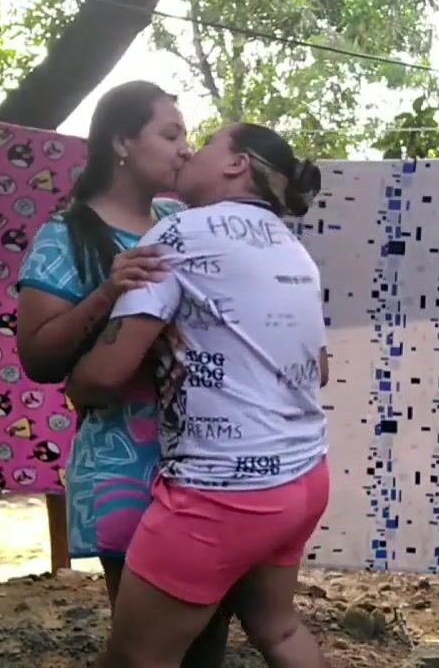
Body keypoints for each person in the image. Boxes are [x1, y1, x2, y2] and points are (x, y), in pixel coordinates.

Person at [68, 123, 330, 668]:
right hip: (303, 477)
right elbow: (319, 369)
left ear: (237, 163)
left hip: (224, 492)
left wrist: (76, 379)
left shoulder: (178, 235)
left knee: (134, 658)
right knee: (280, 630)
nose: (189, 151)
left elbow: (107, 374)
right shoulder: (293, 250)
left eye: (207, 142)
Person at [14, 80, 230, 666]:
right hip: (124, 465)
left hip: (210, 458)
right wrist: (109, 291)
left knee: (209, 639)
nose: (185, 148)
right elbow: (36, 358)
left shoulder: (183, 220)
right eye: (171, 134)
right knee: (147, 648)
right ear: (121, 143)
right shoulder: (65, 236)